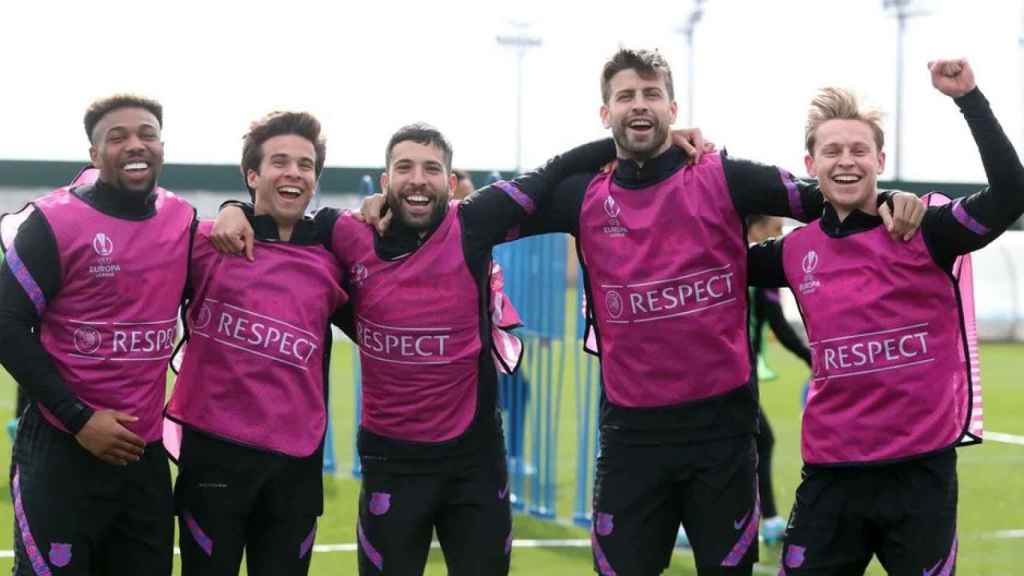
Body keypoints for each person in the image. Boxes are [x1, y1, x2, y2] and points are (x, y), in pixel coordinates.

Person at [492, 48, 923, 576]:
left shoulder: (726, 177)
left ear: (674, 107)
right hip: (630, 441)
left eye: (651, 94)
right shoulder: (580, 194)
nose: (639, 105)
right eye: (625, 97)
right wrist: (596, 150)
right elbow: (480, 219)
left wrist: (895, 197)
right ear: (605, 114)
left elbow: (831, 194)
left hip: (723, 440)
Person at [212, 121, 711, 574]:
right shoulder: (343, 232)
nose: (417, 179)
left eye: (432, 169)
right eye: (404, 168)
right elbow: (279, 216)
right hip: (391, 466)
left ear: (450, 186)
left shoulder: (474, 222)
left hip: (473, 467)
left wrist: (651, 142)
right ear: (385, 183)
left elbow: (555, 171)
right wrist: (230, 208)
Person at [747, 59, 1024, 575]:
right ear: (810, 162)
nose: (845, 161)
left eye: (858, 150)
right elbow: (704, 247)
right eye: (831, 150)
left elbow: (1011, 194)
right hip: (831, 478)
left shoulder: (927, 231)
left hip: (920, 479)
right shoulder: (792, 251)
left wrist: (970, 99)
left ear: (880, 158)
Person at [0, 95, 195, 575]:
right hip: (61, 450)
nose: (135, 145)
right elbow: (5, 323)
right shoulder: (53, 221)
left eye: (147, 134)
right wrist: (79, 419)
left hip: (143, 457)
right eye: (118, 136)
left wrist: (234, 208)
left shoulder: (183, 220)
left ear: (162, 147)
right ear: (93, 155)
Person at [164, 112, 347, 575]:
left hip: (297, 466)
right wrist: (231, 208)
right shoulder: (207, 242)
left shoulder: (333, 257)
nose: (293, 173)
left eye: (305, 165)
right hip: (214, 459)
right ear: (252, 174)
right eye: (279, 162)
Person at [746, 215, 812, 544]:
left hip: (715, 369)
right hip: (734, 373)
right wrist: (812, 357)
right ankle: (768, 520)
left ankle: (766, 518)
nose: (777, 235)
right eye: (774, 229)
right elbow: (779, 326)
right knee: (760, 440)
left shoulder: (723, 255)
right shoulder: (763, 262)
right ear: (757, 227)